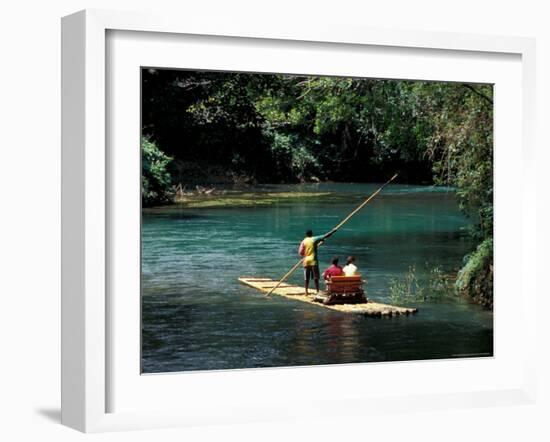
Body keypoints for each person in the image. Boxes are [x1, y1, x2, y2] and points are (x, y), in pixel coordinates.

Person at [298, 228, 337, 295]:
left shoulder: (303, 241)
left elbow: (300, 253)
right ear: (311, 234)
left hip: (306, 260)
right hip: (313, 260)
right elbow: (325, 235)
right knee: (316, 277)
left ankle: (306, 291)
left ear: (306, 235)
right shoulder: (314, 239)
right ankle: (317, 291)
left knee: (306, 277)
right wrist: (333, 231)